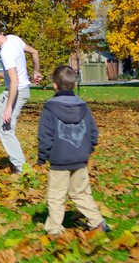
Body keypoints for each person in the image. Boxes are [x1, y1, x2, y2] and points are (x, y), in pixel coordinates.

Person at [36, 64, 109, 236]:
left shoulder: (50, 108)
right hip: (80, 159)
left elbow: (45, 136)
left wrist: (41, 158)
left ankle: (54, 229)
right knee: (81, 193)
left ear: (54, 85)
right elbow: (93, 132)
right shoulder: (83, 107)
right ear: (74, 85)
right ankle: (97, 222)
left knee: (56, 196)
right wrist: (87, 150)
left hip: (59, 161)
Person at [0, 22, 41, 173]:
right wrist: (36, 71)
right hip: (10, 91)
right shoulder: (13, 38)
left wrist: (9, 108)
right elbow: (35, 52)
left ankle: (21, 168)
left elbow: (14, 81)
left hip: (17, 91)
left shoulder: (6, 52)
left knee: (6, 130)